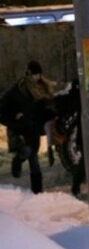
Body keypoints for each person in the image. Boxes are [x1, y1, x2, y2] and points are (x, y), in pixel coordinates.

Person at [0, 60, 57, 194]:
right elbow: (2, 107)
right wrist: (13, 116)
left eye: (38, 75)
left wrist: (52, 116)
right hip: (18, 129)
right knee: (27, 152)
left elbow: (43, 111)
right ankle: (17, 162)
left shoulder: (42, 89)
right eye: (34, 75)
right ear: (28, 75)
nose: (37, 78)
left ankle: (37, 192)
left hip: (33, 129)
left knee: (34, 160)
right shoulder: (17, 90)